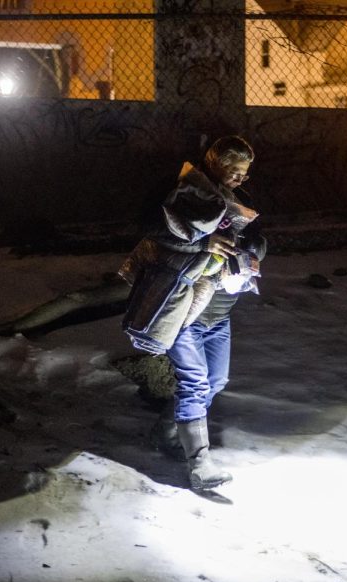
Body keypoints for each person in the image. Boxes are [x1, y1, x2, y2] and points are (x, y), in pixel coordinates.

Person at [119, 135, 267, 490]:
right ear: (213, 163)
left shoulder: (241, 199)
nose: (237, 180)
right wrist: (203, 243)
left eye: (244, 175)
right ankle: (200, 465)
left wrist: (252, 251)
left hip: (220, 310)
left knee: (216, 381)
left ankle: (166, 432)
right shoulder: (183, 191)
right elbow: (149, 229)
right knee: (196, 381)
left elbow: (260, 237)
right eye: (232, 171)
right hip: (182, 306)